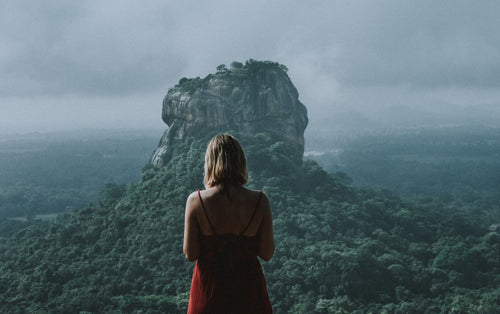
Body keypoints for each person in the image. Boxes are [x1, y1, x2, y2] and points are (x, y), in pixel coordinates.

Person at [183, 134, 274, 313]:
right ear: (240, 162)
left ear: (210, 163)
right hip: (248, 292)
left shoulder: (196, 200)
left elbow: (191, 254)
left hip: (209, 291)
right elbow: (266, 253)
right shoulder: (260, 201)